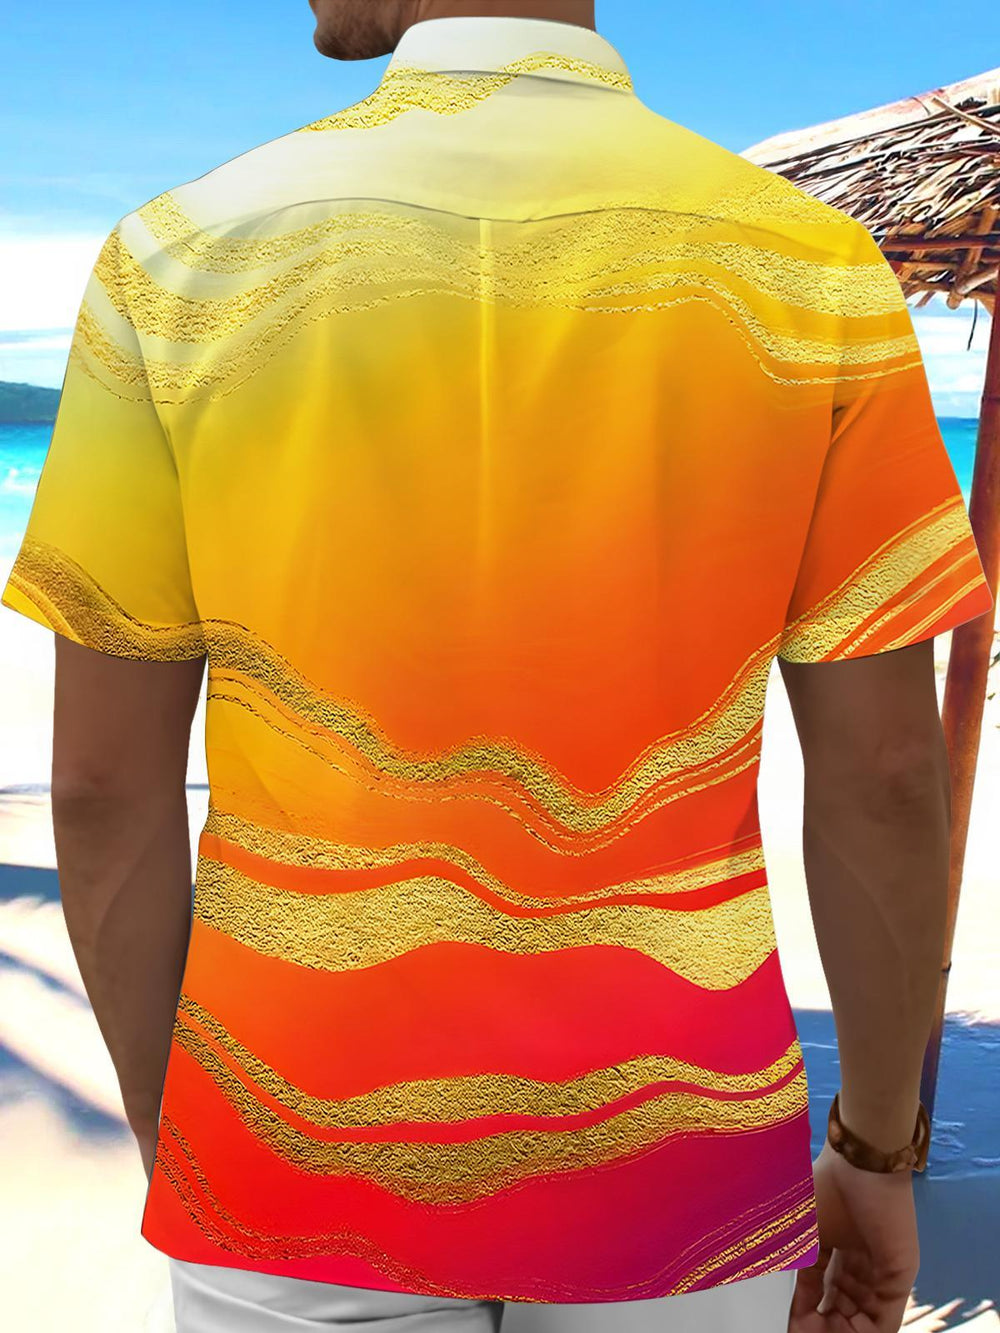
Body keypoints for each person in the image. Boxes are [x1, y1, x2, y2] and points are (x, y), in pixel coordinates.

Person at [2, 0, 994, 1329]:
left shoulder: (174, 259)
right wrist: (874, 1149)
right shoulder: (808, 266)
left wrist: (176, 1133)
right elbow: (884, 774)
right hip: (679, 1159)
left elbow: (101, 790)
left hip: (292, 1145)